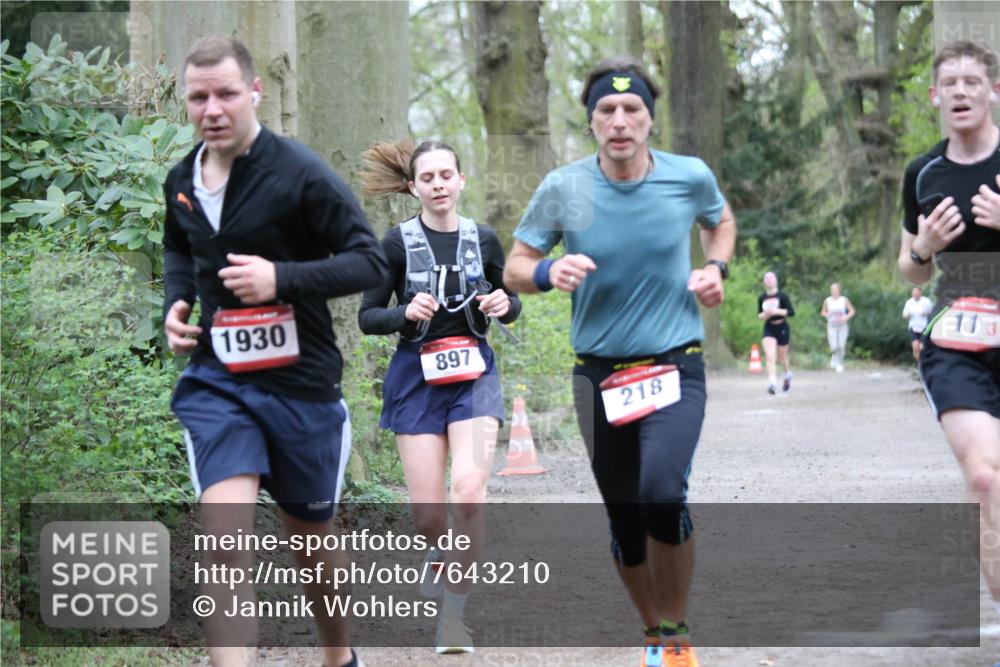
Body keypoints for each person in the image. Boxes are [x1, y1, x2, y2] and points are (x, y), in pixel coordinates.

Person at [503, 56, 736, 667]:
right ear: (592, 123)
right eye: (606, 110)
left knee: (662, 490)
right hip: (599, 371)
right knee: (624, 517)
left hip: (674, 363)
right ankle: (654, 633)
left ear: (650, 120)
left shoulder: (688, 177)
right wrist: (551, 270)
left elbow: (721, 222)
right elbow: (515, 266)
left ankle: (679, 631)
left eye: (632, 109)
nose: (620, 120)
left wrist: (716, 269)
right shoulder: (566, 188)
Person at [163, 36, 387, 667]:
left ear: (255, 92)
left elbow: (367, 261)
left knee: (312, 547)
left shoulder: (300, 173)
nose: (213, 108)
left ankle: (339, 655)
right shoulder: (182, 178)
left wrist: (281, 279)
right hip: (220, 384)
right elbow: (180, 250)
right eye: (198, 97)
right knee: (223, 543)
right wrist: (176, 306)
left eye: (227, 94)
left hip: (301, 387)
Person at [357, 140, 521, 655]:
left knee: (469, 491)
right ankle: (436, 551)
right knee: (429, 516)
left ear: (461, 179)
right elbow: (368, 317)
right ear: (414, 187)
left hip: (472, 375)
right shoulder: (396, 244)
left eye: (447, 175)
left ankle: (453, 617)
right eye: (428, 178)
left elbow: (510, 305)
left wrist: (504, 302)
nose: (439, 185)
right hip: (416, 378)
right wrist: (404, 312)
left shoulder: (484, 239)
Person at [896, 40, 1000, 654]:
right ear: (935, 96)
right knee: (986, 479)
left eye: (972, 81)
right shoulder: (923, 173)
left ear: (993, 91)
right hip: (958, 335)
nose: (960, 91)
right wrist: (923, 249)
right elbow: (909, 272)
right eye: (949, 83)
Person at [757, 272, 795, 394]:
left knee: (782, 358)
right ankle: (772, 383)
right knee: (770, 356)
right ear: (764, 282)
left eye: (771, 278)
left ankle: (788, 374)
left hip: (782, 327)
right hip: (769, 327)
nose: (769, 280)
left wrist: (776, 311)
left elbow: (791, 312)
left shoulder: (782, 296)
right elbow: (759, 314)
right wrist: (765, 314)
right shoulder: (761, 297)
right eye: (766, 278)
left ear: (776, 280)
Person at [820, 282, 855, 372]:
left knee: (841, 345)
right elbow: (823, 312)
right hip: (832, 326)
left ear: (839, 290)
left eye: (835, 289)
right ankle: (834, 357)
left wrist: (845, 317)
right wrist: (828, 315)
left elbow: (852, 311)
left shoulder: (844, 300)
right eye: (832, 290)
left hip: (842, 326)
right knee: (834, 346)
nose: (833, 291)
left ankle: (839, 363)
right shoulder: (827, 300)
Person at [902, 285, 933, 362]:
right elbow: (904, 315)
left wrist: (926, 312)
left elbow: (933, 312)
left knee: (922, 348)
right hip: (913, 327)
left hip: (924, 327)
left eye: (916, 293)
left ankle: (924, 363)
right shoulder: (909, 302)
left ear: (920, 293)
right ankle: (919, 365)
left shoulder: (926, 301)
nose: (915, 295)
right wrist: (907, 315)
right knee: (915, 347)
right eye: (913, 293)